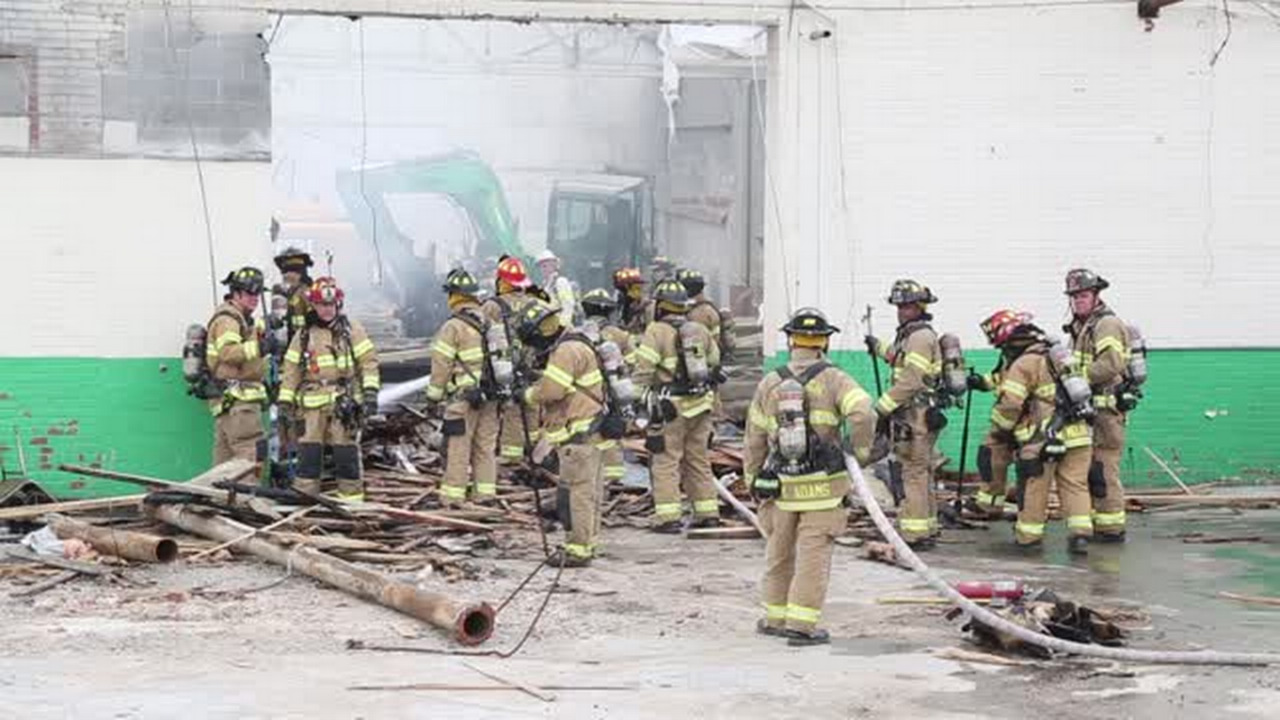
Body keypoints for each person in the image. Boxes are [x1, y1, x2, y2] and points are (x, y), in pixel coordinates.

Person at [744, 307, 875, 646]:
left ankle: (774, 618)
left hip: (781, 488)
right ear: (824, 343)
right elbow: (863, 413)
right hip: (823, 490)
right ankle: (801, 626)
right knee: (812, 558)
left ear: (791, 341)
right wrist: (859, 452)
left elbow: (754, 437)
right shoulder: (835, 379)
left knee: (778, 555)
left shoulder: (770, 382)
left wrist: (753, 479)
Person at [980, 310, 1094, 554]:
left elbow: (1010, 404)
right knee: (1075, 486)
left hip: (1041, 439)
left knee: (1034, 487)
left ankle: (1028, 539)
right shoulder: (1059, 357)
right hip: (1079, 434)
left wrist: (1001, 430)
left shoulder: (1024, 363)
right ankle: (1080, 536)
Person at [517, 301, 611, 567]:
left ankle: (577, 550)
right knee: (589, 492)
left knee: (575, 494)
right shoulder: (577, 343)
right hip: (592, 431)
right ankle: (587, 543)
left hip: (578, 435)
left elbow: (553, 391)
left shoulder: (565, 351)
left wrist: (527, 394)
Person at [278, 277, 380, 501]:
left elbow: (368, 362)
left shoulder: (351, 330)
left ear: (338, 304)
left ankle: (351, 501)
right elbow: (291, 369)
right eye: (323, 305)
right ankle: (305, 498)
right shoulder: (304, 335)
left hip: (344, 403)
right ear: (314, 305)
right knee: (309, 455)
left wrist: (371, 392)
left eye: (331, 304)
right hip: (312, 406)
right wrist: (285, 401)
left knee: (346, 454)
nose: (327, 309)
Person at [633, 279, 722, 532]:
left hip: (670, 408)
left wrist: (634, 402)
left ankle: (668, 518)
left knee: (665, 461)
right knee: (698, 460)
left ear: (661, 306)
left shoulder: (656, 331)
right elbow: (715, 360)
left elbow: (644, 370)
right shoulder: (699, 330)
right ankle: (708, 513)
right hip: (700, 404)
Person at [866, 279, 943, 549]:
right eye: (899, 307)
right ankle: (928, 526)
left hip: (916, 415)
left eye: (907, 306)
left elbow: (911, 380)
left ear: (920, 306)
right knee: (922, 471)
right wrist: (878, 347)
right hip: (915, 414)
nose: (901, 311)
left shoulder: (919, 337)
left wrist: (881, 407)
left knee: (914, 472)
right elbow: (899, 358)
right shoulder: (911, 335)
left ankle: (915, 534)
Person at [1064, 268, 1133, 542]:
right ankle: (1098, 521)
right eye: (1074, 296)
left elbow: (1111, 364)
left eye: (1083, 295)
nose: (1078, 301)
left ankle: (1112, 528)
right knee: (1091, 469)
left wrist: (1076, 378)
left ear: (1096, 295)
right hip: (1089, 410)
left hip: (1106, 411)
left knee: (1104, 469)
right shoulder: (1082, 326)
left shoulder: (1107, 324)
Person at [427, 269, 501, 507]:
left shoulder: (453, 327)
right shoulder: (490, 323)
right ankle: (485, 495)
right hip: (492, 397)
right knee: (485, 448)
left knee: (458, 448)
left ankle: (453, 498)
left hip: (464, 400)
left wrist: (433, 397)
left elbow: (441, 365)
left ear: (454, 296)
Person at [206, 267, 268, 466]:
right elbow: (228, 353)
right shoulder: (228, 320)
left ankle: (221, 489)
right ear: (236, 293)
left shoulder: (241, 319)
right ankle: (246, 489)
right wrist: (260, 347)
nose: (255, 298)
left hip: (229, 404)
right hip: (240, 404)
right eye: (250, 293)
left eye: (257, 293)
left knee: (224, 466)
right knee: (249, 460)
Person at [482, 256, 540, 465]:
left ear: (501, 281)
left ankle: (511, 455)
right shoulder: (535, 304)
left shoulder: (492, 306)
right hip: (531, 365)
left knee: (512, 409)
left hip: (504, 366)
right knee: (531, 406)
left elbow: (481, 335)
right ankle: (534, 451)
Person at [581, 288, 633, 484]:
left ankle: (591, 475)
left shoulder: (576, 332)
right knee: (612, 431)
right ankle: (614, 477)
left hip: (587, 392)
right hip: (614, 391)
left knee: (588, 434)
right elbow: (632, 363)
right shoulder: (621, 335)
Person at [535, 249, 581, 328]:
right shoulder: (543, 286)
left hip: (558, 328)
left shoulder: (560, 282)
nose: (542, 269)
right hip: (546, 327)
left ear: (553, 265)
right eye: (541, 266)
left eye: (545, 266)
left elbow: (568, 305)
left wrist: (562, 327)